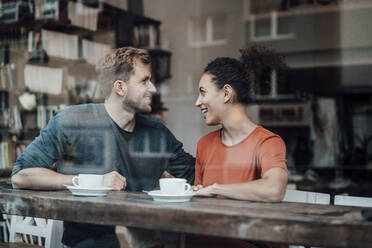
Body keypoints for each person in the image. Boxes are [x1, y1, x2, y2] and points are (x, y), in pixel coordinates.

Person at [11, 47, 195, 248]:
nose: (153, 89)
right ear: (120, 87)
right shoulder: (71, 121)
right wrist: (88, 182)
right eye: (144, 81)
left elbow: (195, 175)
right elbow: (20, 176)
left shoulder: (157, 132)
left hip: (145, 242)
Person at [188, 45, 288, 247]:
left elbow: (274, 189)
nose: (197, 102)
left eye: (203, 93)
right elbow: (198, 205)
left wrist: (215, 188)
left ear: (226, 93)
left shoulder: (268, 142)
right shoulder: (204, 145)